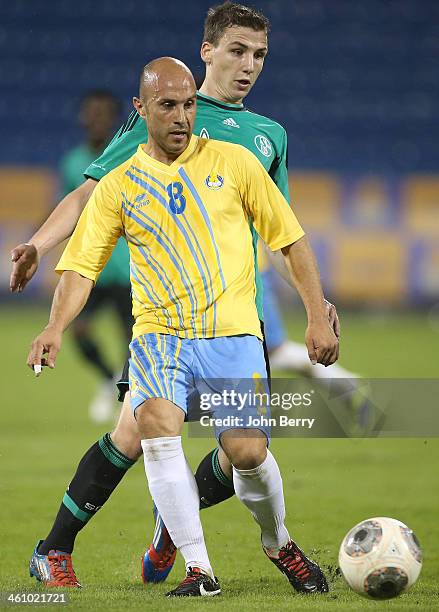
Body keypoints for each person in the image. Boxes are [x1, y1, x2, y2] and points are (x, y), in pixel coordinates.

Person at [12, 1, 340, 591]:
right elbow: (93, 194)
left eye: (260, 55)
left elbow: (279, 234)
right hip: (164, 319)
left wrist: (316, 305)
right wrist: (39, 243)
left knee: (237, 444)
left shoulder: (265, 139)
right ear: (207, 50)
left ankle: (164, 526)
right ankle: (67, 548)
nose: (248, 66)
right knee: (139, 433)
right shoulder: (159, 113)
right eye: (237, 51)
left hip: (233, 319)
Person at [59, 90, 132, 422]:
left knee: (133, 341)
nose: (97, 119)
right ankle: (107, 379)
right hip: (93, 268)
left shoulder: (130, 156)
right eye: (92, 113)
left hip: (129, 268)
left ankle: (129, 403)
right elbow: (68, 208)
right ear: (83, 117)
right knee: (79, 330)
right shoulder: (73, 163)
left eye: (104, 113)